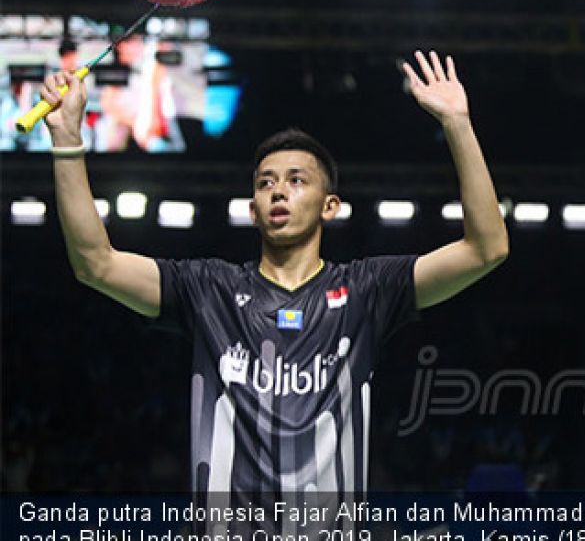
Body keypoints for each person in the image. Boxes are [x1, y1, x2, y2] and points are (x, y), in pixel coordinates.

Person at [40, 51, 508, 510]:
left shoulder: (368, 290)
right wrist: (66, 139)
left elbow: (486, 249)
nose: (278, 190)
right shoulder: (208, 290)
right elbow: (95, 264)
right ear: (253, 210)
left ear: (330, 206)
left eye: (297, 180)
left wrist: (457, 124)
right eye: (265, 183)